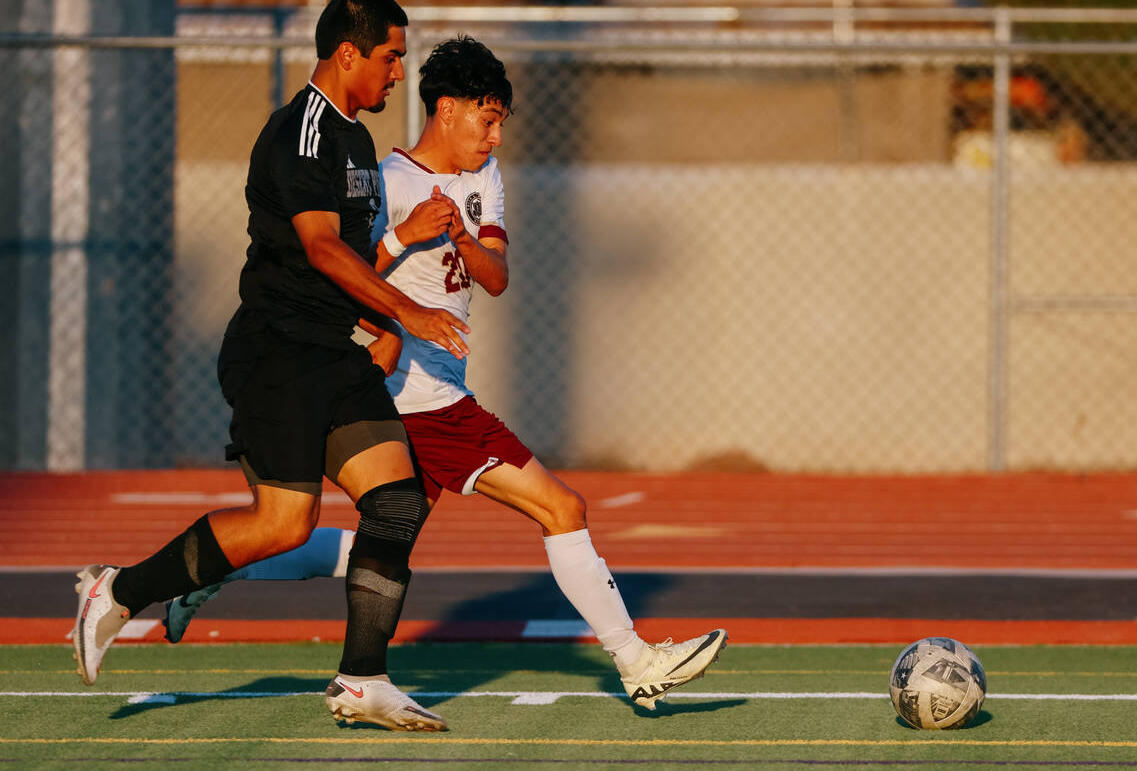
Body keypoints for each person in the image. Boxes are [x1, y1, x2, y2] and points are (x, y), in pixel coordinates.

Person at [161, 35, 727, 713]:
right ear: (447, 109)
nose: (493, 138)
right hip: (418, 401)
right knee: (562, 507)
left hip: (441, 393)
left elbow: (495, 276)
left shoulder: (482, 179)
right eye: (485, 121)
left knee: (371, 550)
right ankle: (636, 662)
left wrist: (458, 235)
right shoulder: (385, 180)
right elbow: (342, 269)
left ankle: (209, 575)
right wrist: (405, 241)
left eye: (499, 125)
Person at [72, 0, 460, 732]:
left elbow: (348, 255)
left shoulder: (356, 139)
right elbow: (318, 247)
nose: (398, 74)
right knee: (283, 524)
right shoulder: (303, 133)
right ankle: (118, 592)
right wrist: (405, 310)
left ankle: (362, 680)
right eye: (390, 58)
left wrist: (380, 321)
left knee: (397, 501)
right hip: (277, 353)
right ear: (348, 53)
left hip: (331, 349)